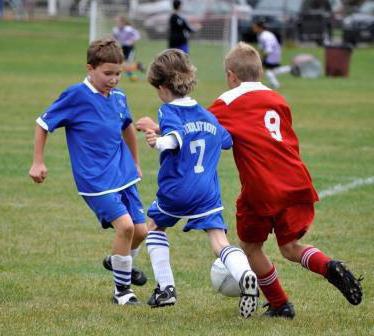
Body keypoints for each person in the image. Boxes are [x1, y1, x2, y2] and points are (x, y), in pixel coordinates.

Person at [207, 42, 363, 318]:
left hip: (261, 187)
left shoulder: (228, 102)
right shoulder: (277, 99)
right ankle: (328, 266)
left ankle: (280, 304)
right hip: (295, 180)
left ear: (231, 75)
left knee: (251, 247)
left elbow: (201, 125)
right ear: (261, 71)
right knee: (290, 248)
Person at [136, 49, 258, 318]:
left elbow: (176, 137)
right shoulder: (206, 114)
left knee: (155, 226)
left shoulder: (167, 110)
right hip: (207, 191)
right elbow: (225, 141)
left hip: (177, 188)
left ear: (164, 86)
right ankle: (245, 273)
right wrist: (160, 130)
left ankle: (166, 289)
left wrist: (159, 140)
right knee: (218, 239)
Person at [29, 38, 148, 305]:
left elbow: (127, 126)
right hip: (95, 179)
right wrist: (38, 162)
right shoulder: (76, 96)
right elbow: (42, 124)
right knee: (126, 227)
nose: (114, 79)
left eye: (118, 73)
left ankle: (118, 262)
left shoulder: (119, 97)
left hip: (124, 174)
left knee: (141, 232)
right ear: (90, 68)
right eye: (108, 73)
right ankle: (123, 291)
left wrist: (136, 161)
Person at [252, 19, 289, 89]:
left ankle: (275, 84)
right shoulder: (261, 35)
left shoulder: (265, 36)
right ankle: (289, 69)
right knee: (272, 71)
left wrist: (262, 58)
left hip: (272, 55)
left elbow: (269, 49)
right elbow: (261, 47)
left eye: (254, 27)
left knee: (268, 72)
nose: (253, 28)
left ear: (259, 27)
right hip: (272, 54)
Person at [112, 15, 145, 81]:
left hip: (129, 48)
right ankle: (136, 68)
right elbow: (115, 37)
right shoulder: (115, 30)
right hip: (122, 47)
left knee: (126, 64)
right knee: (122, 64)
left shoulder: (129, 29)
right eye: (116, 22)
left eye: (119, 22)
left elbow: (137, 35)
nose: (117, 24)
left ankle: (135, 70)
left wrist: (132, 41)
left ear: (123, 22)